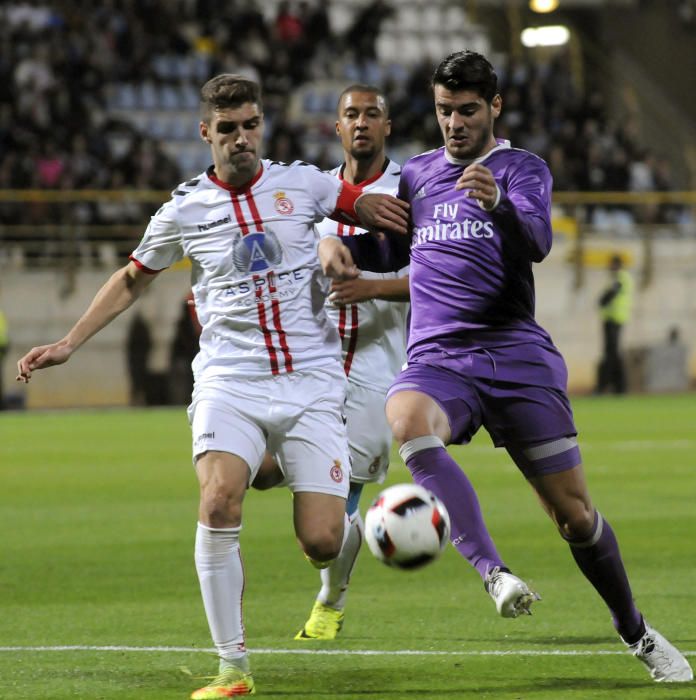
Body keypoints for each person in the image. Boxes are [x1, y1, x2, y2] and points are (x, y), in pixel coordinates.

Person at [16, 73, 409, 699]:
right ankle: (233, 667)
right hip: (231, 381)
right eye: (228, 129)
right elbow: (130, 279)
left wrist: (398, 217)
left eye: (251, 125)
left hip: (311, 382)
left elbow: (360, 201)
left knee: (323, 540)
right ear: (206, 134)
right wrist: (68, 342)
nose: (241, 138)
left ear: (261, 127)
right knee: (220, 501)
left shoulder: (302, 183)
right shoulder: (184, 208)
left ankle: (276, 462)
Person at [384, 51, 692, 683]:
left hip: (516, 355)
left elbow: (540, 244)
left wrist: (498, 202)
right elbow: (392, 246)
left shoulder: (522, 169)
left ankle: (634, 629)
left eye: (467, 111)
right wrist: (340, 247)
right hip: (441, 357)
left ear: (494, 107)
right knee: (407, 418)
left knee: (574, 517)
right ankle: (493, 573)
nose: (454, 124)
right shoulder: (415, 177)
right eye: (445, 111)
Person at [253, 84, 410, 641]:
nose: (361, 122)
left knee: (335, 511)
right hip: (311, 359)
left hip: (374, 364)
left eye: (372, 113)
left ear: (387, 126)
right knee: (260, 471)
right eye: (351, 115)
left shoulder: (408, 190)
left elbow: (433, 279)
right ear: (338, 129)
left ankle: (331, 599)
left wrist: (370, 285)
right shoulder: (313, 193)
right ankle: (331, 561)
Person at [596, 254, 633, 394]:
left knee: (612, 354)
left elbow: (611, 294)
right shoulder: (618, 278)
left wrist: (602, 300)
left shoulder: (621, 277)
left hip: (615, 319)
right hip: (612, 318)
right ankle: (617, 387)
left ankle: (612, 386)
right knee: (612, 353)